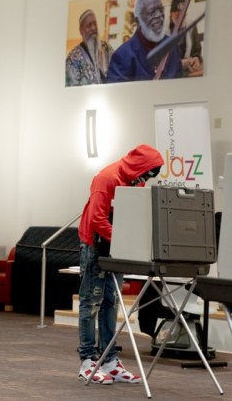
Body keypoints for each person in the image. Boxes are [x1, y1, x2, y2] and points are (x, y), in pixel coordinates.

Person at [77, 143, 163, 385]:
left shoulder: (136, 181)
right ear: (139, 167)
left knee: (111, 303)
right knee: (90, 303)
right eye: (146, 174)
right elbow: (96, 219)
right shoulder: (106, 178)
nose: (146, 180)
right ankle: (87, 361)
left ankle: (109, 360)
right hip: (94, 246)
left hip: (116, 248)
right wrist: (123, 241)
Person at [106, 0, 182, 83]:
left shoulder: (172, 46)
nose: (159, 16)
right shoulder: (122, 57)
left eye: (161, 10)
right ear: (138, 20)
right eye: (151, 13)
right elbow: (117, 95)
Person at [65, 9, 112, 86]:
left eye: (95, 24)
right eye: (89, 25)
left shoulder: (106, 48)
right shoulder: (73, 59)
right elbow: (71, 89)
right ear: (81, 31)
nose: (93, 28)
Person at [169, 0, 204, 77]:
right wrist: (180, 63)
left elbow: (197, 51)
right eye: (177, 17)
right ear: (171, 15)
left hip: (189, 73)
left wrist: (196, 59)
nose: (181, 20)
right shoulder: (163, 31)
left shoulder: (191, 25)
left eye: (183, 16)